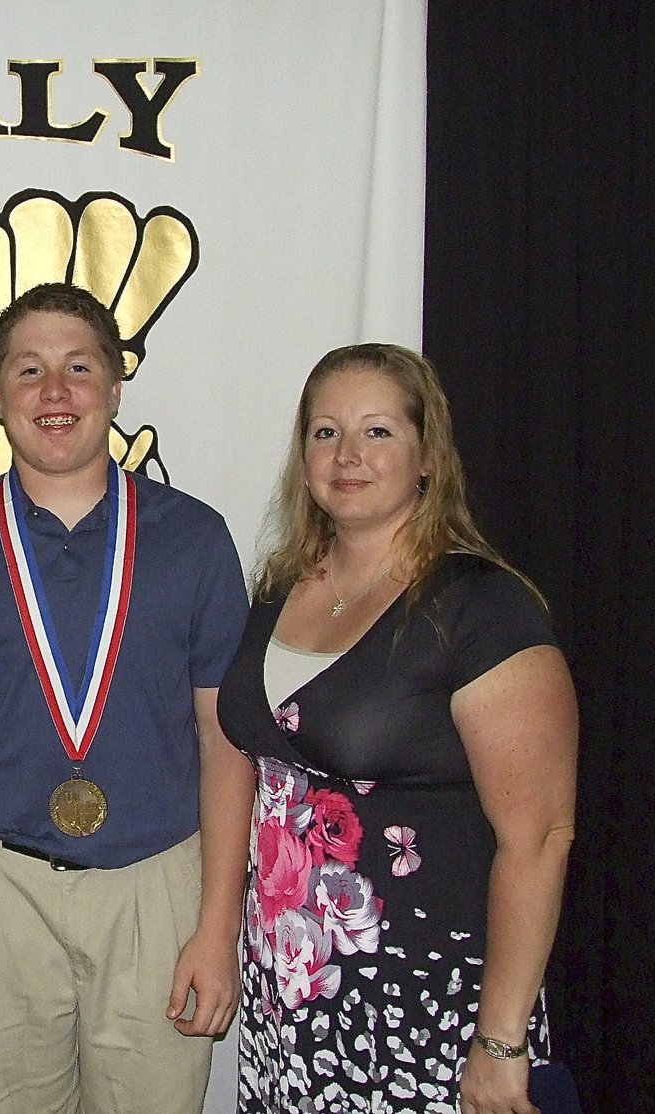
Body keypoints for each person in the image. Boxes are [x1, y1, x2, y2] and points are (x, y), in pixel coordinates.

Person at [0, 282, 256, 1114]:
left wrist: (214, 920)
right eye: (28, 370)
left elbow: (223, 740)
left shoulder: (194, 538)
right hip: (0, 891)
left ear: (116, 385)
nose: (54, 393)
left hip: (157, 887)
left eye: (78, 367)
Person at [217, 343, 578, 1114]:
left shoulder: (480, 609)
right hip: (293, 1006)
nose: (347, 455)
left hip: (428, 1016)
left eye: (377, 431)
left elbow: (539, 838)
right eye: (325, 432)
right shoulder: (280, 590)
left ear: (426, 457)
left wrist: (500, 1044)